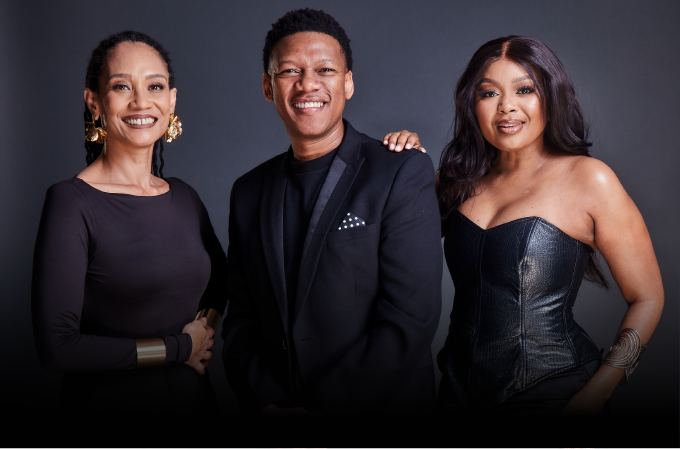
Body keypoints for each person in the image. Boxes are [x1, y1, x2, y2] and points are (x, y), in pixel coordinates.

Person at [383, 35, 664, 415]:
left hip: (556, 393)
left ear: (551, 96)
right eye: (489, 93)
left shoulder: (589, 179)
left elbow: (648, 298)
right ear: (471, 104)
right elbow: (381, 243)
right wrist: (404, 165)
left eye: (524, 89)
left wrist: (596, 395)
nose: (507, 107)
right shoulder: (455, 182)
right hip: (456, 394)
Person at [221, 8, 442, 415]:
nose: (308, 84)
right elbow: (241, 321)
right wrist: (267, 403)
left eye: (325, 69)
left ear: (347, 83)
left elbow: (411, 317)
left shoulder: (400, 171)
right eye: (290, 71)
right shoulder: (248, 192)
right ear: (268, 87)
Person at [31, 30, 226, 412]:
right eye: (122, 86)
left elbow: (222, 279)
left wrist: (204, 332)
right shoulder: (71, 203)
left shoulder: (184, 197)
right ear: (94, 101)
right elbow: (58, 348)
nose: (141, 101)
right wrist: (179, 348)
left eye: (155, 86)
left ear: (171, 100)